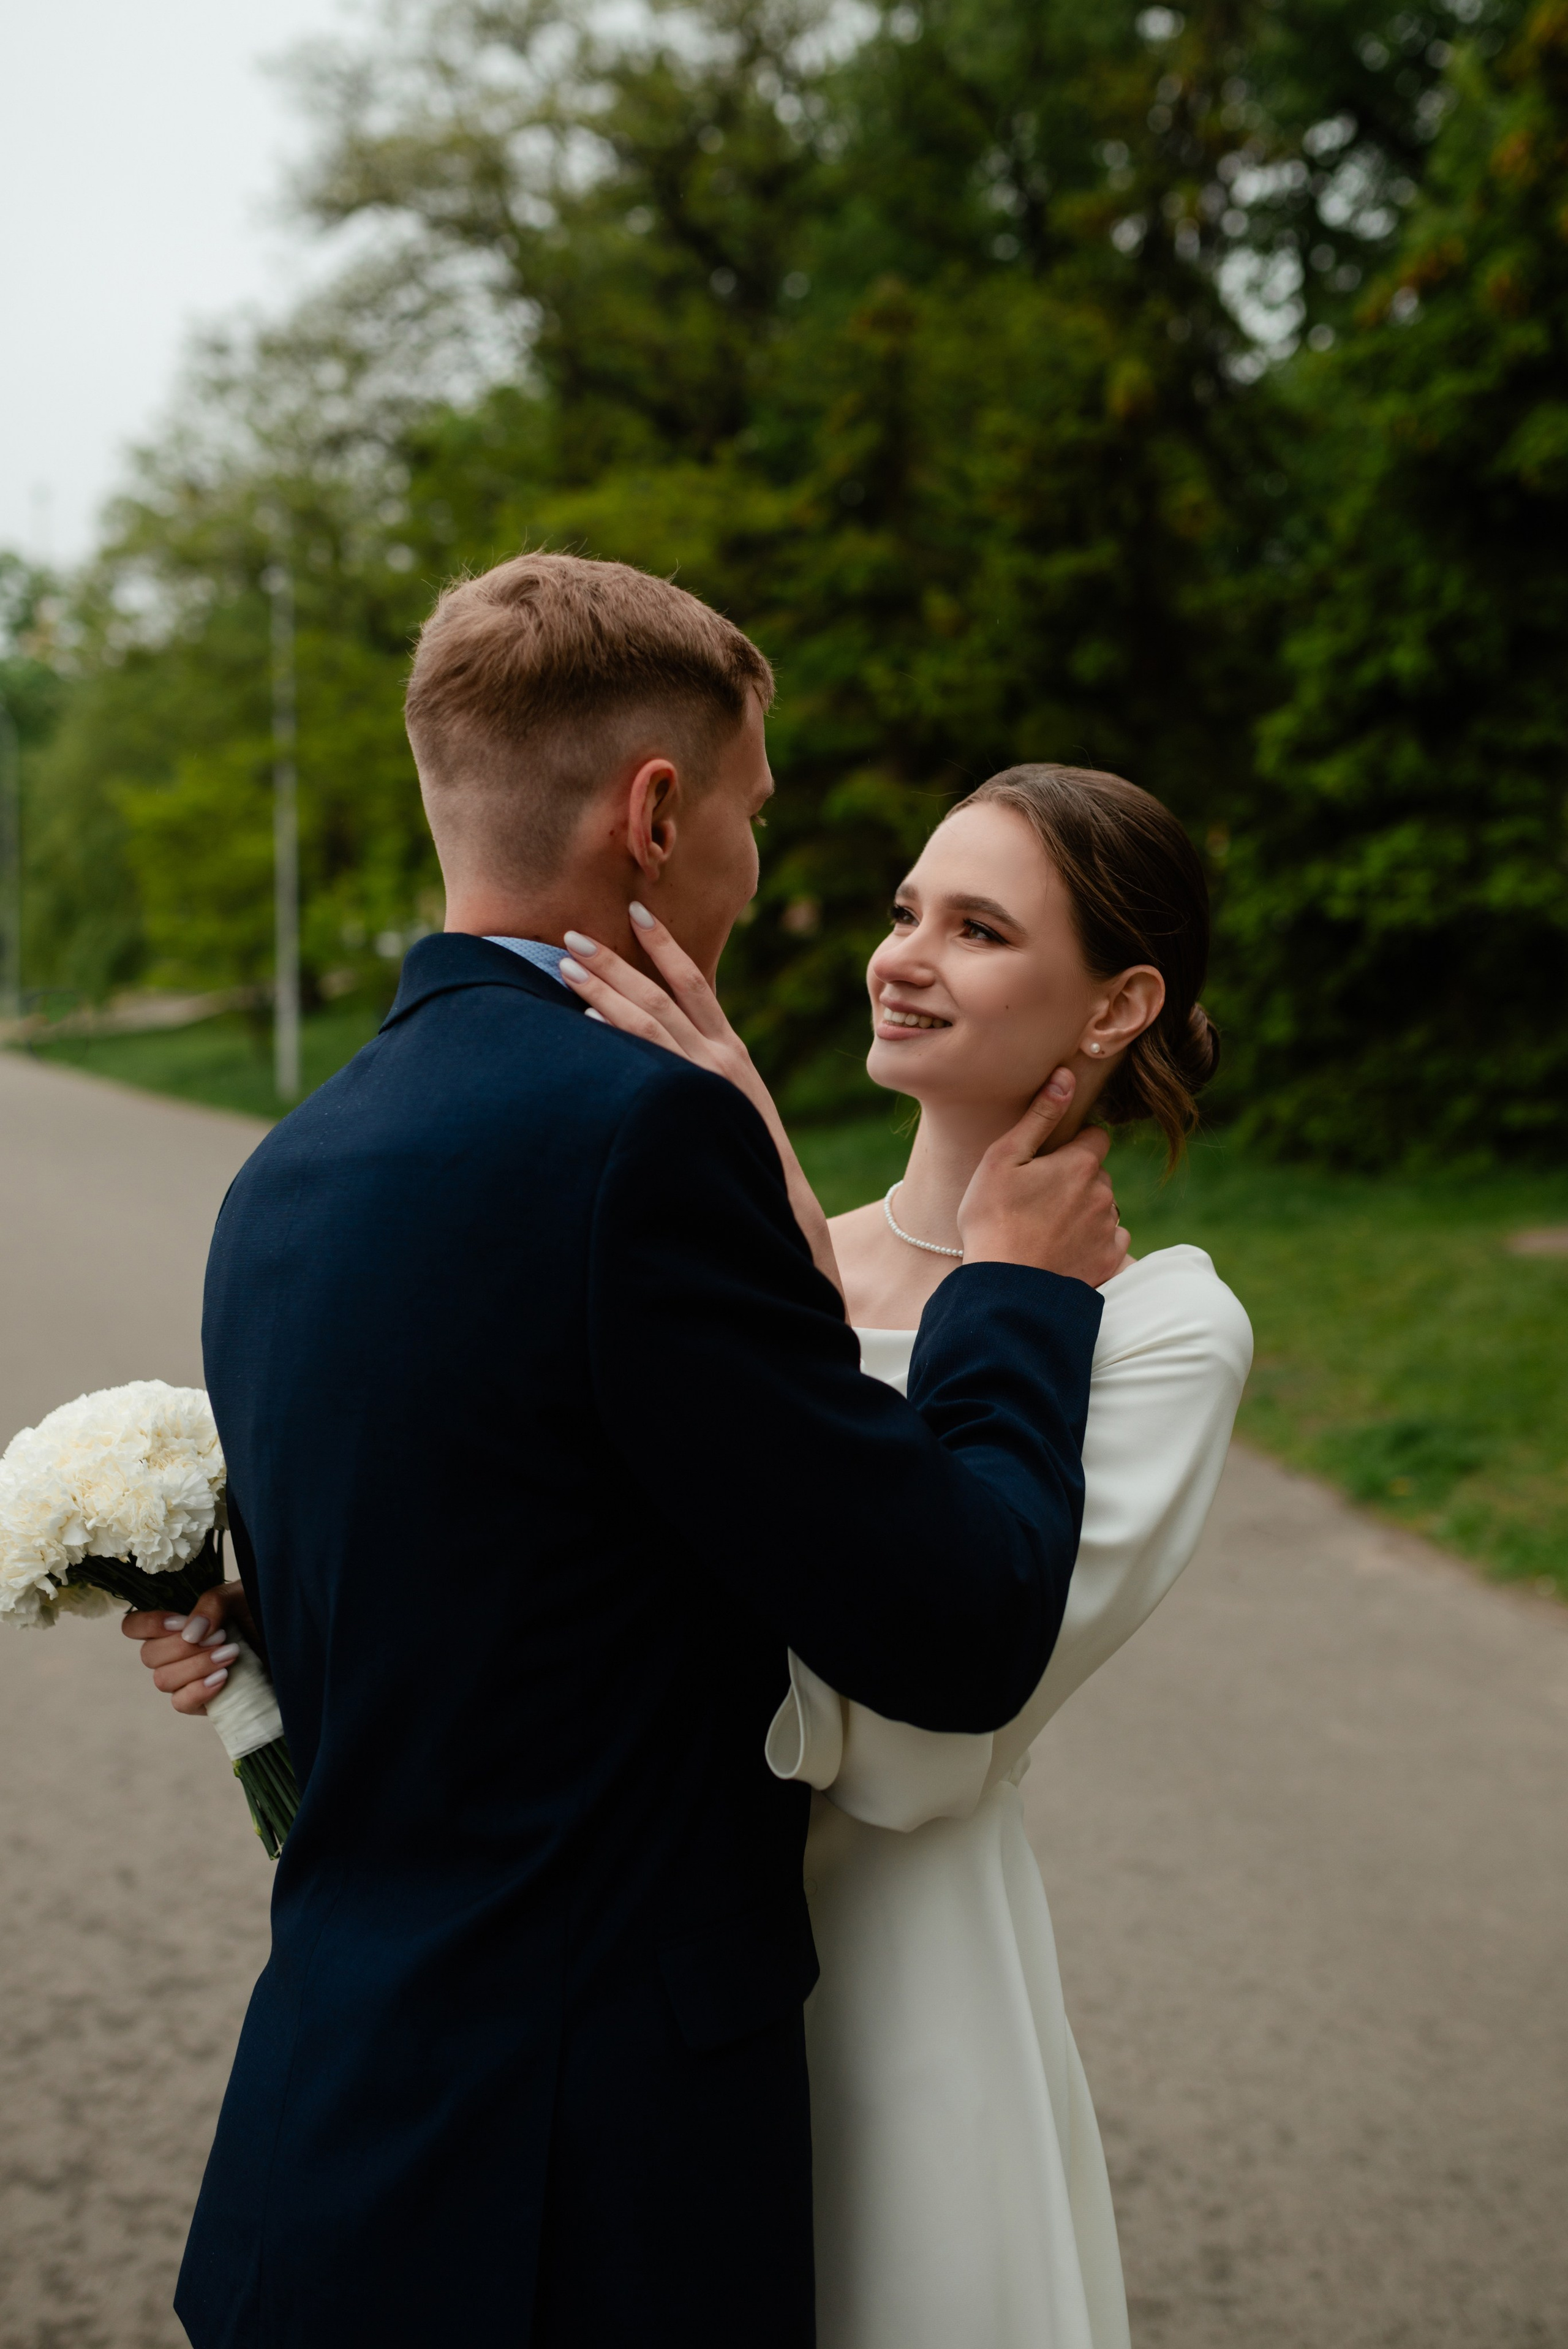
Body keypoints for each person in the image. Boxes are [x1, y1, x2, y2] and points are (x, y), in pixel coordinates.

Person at [124, 553, 1125, 2349]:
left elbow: (462, 1590)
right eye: (748, 808)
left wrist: (222, 1618)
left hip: (319, 2168)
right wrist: (1015, 1300)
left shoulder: (282, 1173)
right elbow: (957, 1623)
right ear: (654, 816)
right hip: (569, 2215)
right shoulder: (642, 1145)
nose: (754, 856)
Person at [541, 761, 1252, 2348]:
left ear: (1116, 1003)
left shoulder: (1163, 1330)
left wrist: (775, 1210)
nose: (904, 954)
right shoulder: (758, 1254)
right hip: (653, 1975)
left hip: (905, 1993)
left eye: (980, 927)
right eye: (904, 908)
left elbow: (924, 1747)